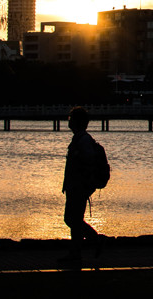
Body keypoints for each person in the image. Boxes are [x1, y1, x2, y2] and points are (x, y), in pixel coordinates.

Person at [60, 106, 103, 264]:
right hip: (75, 186)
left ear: (77, 122)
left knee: (72, 219)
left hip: (79, 186)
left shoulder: (83, 140)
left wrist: (82, 183)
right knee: (74, 219)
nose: (69, 122)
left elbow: (89, 160)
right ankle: (76, 253)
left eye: (71, 119)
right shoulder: (79, 138)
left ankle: (94, 240)